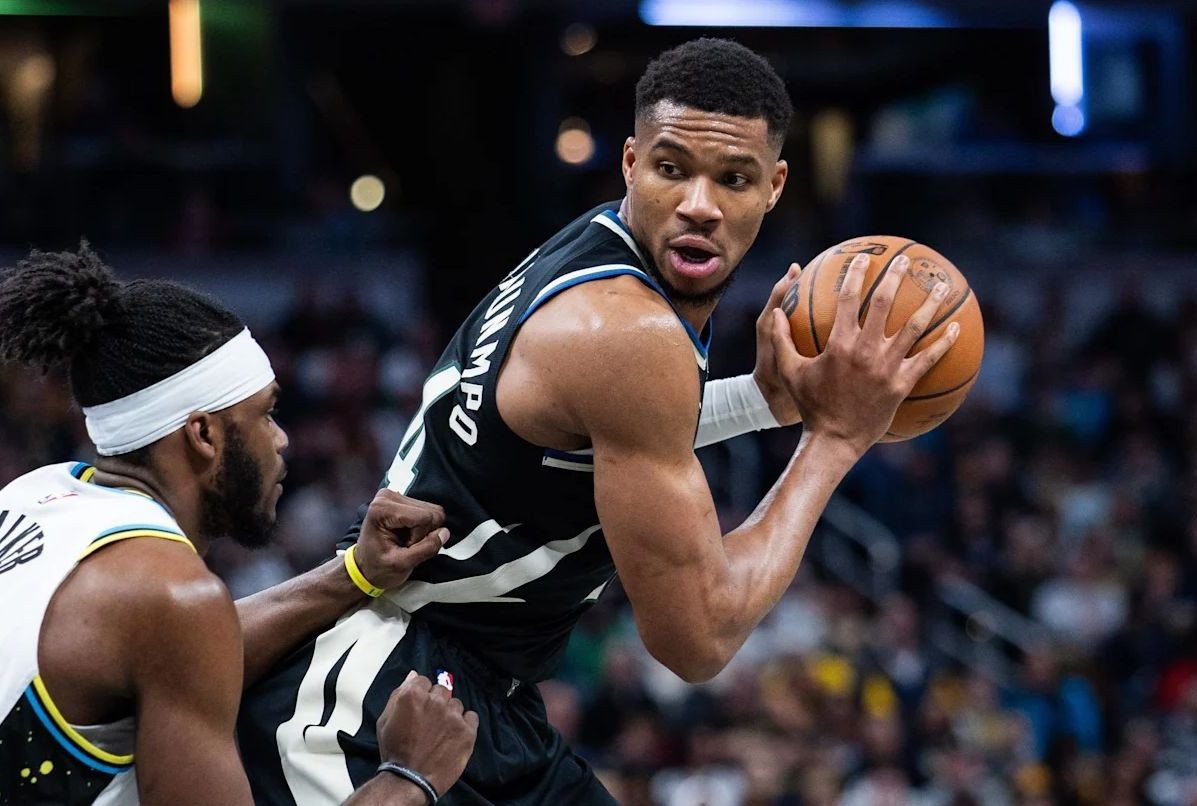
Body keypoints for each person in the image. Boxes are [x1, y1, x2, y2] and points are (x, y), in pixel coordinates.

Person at [239, 37, 960, 804]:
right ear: (630, 163)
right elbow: (699, 639)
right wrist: (834, 439)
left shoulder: (604, 262)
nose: (699, 204)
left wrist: (763, 401)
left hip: (471, 685)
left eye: (733, 178)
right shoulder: (628, 332)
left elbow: (591, 438)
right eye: (671, 169)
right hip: (377, 698)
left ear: (774, 185)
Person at [0, 245, 477, 805]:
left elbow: (179, 652)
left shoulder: (36, 494)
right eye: (266, 414)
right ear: (203, 434)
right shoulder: (170, 595)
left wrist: (355, 573)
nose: (282, 439)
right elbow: (179, 626)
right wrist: (408, 778)